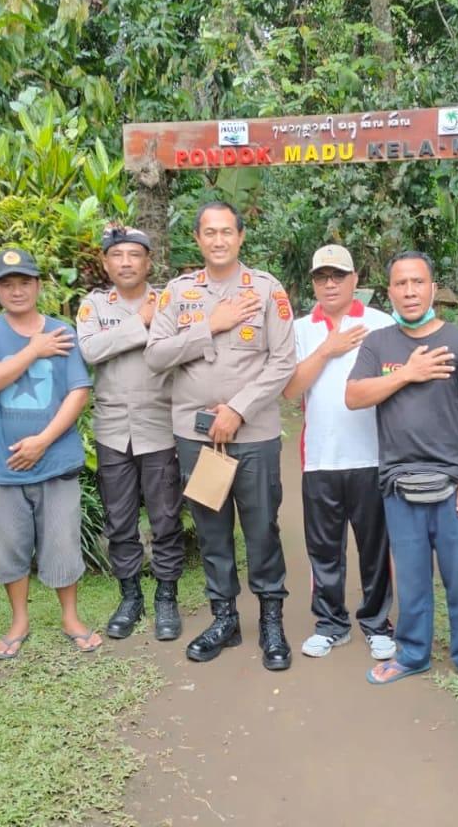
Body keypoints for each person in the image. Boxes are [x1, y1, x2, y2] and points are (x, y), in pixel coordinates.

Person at [144, 201, 297, 670]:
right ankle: (224, 618)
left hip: (253, 434)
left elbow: (283, 362)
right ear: (197, 238)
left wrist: (237, 410)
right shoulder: (178, 293)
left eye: (226, 231)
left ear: (241, 236)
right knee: (211, 529)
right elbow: (156, 356)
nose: (218, 240)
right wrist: (210, 326)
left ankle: (271, 622)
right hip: (197, 436)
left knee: (262, 528)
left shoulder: (266, 290)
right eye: (209, 232)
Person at [346, 251, 458, 701]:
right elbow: (354, 396)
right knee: (412, 578)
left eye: (418, 282)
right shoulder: (378, 344)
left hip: (454, 484)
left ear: (433, 288)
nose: (410, 291)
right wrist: (408, 373)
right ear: (389, 291)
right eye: (401, 283)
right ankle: (412, 653)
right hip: (399, 484)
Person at [0, 248, 100, 658]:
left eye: (25, 282)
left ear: (38, 286)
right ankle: (19, 620)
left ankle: (71, 617)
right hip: (2, 466)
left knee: (62, 541)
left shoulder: (62, 331)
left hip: (56, 460)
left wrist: (43, 440)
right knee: (9, 544)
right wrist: (33, 351)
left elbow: (79, 391)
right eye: (7, 284)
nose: (17, 290)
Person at [282, 244, 397, 661]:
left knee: (375, 549)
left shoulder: (380, 323)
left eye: (338, 276)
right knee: (324, 549)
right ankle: (331, 624)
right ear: (313, 282)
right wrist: (327, 349)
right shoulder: (300, 329)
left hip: (372, 456)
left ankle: (377, 624)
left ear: (354, 280)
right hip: (320, 458)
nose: (329, 284)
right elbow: (290, 389)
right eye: (321, 277)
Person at [77, 226, 183, 642]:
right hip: (112, 429)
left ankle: (167, 597)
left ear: (148, 262)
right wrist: (140, 322)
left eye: (134, 254)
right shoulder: (94, 305)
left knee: (165, 519)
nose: (125, 262)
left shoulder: (169, 302)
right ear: (106, 263)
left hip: (161, 426)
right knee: (119, 521)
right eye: (117, 255)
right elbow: (90, 350)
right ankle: (130, 597)